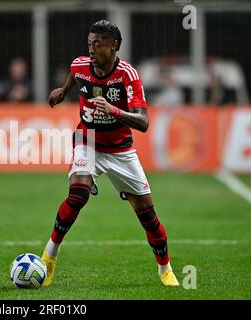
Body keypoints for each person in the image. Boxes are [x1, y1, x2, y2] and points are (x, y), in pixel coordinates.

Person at [42, 20, 180, 287]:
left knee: (148, 216)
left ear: (114, 45)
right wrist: (62, 92)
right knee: (78, 194)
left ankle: (165, 269)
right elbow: (74, 76)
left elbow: (143, 123)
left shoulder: (128, 75)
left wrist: (114, 110)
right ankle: (49, 257)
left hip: (121, 150)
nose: (92, 49)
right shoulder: (80, 65)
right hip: (88, 139)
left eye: (98, 44)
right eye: (90, 44)